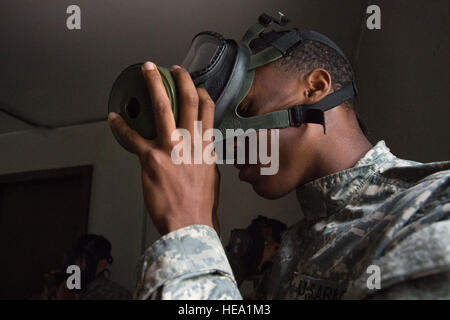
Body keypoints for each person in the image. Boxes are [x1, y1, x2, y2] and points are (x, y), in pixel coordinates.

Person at [108, 26, 450, 299]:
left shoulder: (432, 208)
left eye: (246, 108)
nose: (227, 145)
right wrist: (203, 240)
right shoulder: (287, 254)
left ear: (315, 88)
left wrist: (189, 228)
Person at [58, 234, 131, 300]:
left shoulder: (117, 294)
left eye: (82, 260)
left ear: (101, 265)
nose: (77, 265)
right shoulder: (71, 286)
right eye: (75, 258)